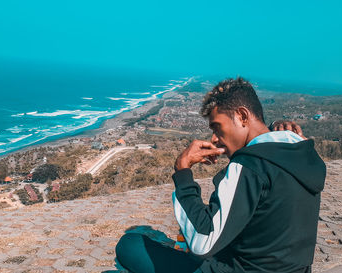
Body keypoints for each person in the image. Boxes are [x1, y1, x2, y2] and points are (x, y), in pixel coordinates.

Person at [115, 77, 326, 273]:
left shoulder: (248, 166)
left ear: (242, 116)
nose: (215, 139)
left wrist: (183, 172)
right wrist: (275, 130)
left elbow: (202, 240)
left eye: (217, 128)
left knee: (130, 245)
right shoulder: (302, 153)